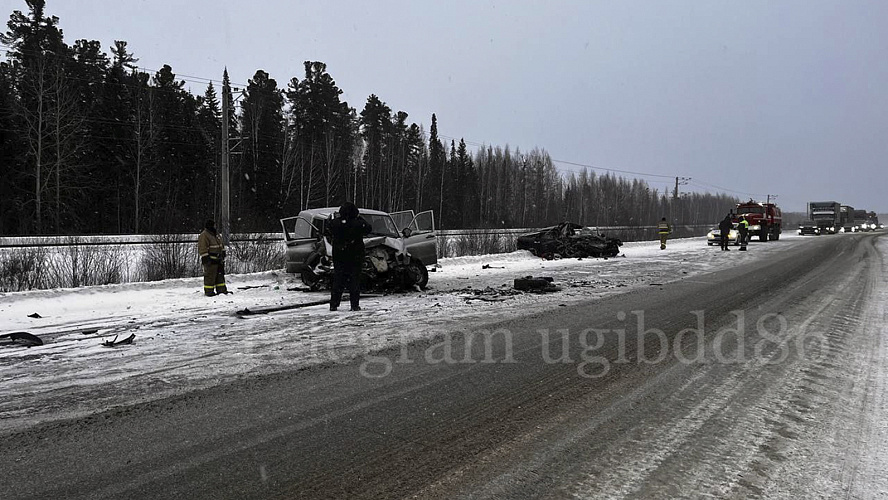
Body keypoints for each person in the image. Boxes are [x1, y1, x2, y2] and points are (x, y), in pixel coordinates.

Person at [329, 202, 371, 311]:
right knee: (354, 280)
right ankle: (354, 305)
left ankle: (334, 304)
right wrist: (359, 218)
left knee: (338, 280)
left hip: (339, 255)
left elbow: (327, 229)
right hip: (355, 255)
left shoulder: (335, 223)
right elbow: (368, 228)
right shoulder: (358, 223)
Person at [198, 219, 228, 296]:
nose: (215, 227)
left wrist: (223, 251)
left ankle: (221, 290)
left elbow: (221, 244)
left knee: (220, 276)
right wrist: (206, 258)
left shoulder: (216, 235)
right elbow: (202, 247)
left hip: (218, 259)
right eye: (214, 225)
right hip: (210, 260)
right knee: (210, 276)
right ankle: (209, 291)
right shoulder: (204, 235)